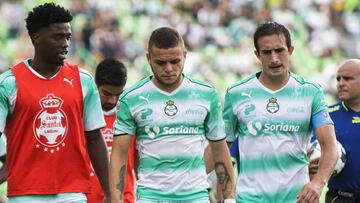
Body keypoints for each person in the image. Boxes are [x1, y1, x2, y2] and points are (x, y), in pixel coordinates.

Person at [109, 27, 235, 203]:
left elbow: (220, 149)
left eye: (175, 61)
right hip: (150, 196)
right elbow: (120, 154)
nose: (169, 69)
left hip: (195, 196)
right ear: (148, 59)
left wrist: (229, 199)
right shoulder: (131, 98)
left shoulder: (206, 94)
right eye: (161, 63)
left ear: (185, 55)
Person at [0, 3, 110, 202]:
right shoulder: (9, 83)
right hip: (25, 194)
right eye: (57, 37)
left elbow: (94, 138)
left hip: (73, 193)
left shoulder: (83, 81)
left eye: (67, 37)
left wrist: (110, 192)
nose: (66, 44)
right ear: (36, 38)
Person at [222, 21, 338, 203]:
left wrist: (317, 183)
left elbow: (330, 147)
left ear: (290, 50)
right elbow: (220, 148)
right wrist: (228, 196)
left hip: (297, 199)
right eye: (267, 52)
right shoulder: (236, 93)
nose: (274, 58)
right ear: (257, 55)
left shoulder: (310, 92)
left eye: (279, 50)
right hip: (249, 199)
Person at [86, 58, 137, 203]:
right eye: (107, 93)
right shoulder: (81, 117)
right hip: (88, 198)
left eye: (118, 94)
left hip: (124, 198)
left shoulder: (131, 118)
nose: (112, 100)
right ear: (96, 86)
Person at [324, 59, 360, 203]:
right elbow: (314, 154)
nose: (340, 83)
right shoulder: (327, 116)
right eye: (338, 79)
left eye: (348, 78)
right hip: (341, 198)